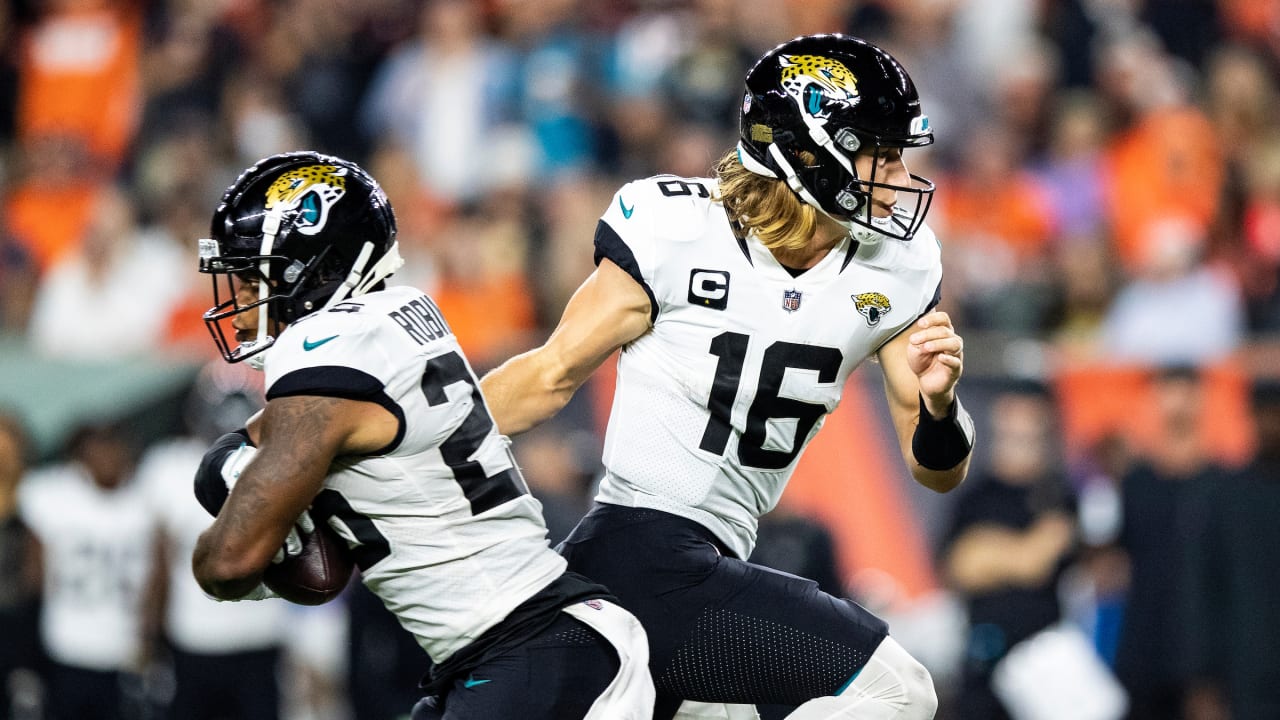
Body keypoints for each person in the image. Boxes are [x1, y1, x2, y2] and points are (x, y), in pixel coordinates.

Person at [480, 34, 971, 720]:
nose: (896, 175)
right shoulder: (675, 227)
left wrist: (941, 406)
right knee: (899, 691)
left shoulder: (897, 265)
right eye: (878, 153)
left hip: (708, 564)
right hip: (639, 551)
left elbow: (936, 468)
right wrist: (417, 438)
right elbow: (549, 375)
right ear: (807, 150)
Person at [188, 151, 653, 720]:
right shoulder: (396, 315)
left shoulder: (326, 359)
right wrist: (232, 464)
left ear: (314, 270)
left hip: (522, 650)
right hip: (534, 642)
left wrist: (226, 490)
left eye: (249, 279)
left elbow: (229, 562)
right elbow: (273, 445)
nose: (237, 309)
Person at [940, 382, 1077, 720]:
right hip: (982, 655)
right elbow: (959, 569)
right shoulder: (974, 497)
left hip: (1043, 664)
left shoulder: (1058, 494)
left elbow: (1036, 563)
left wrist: (988, 550)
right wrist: (1022, 548)